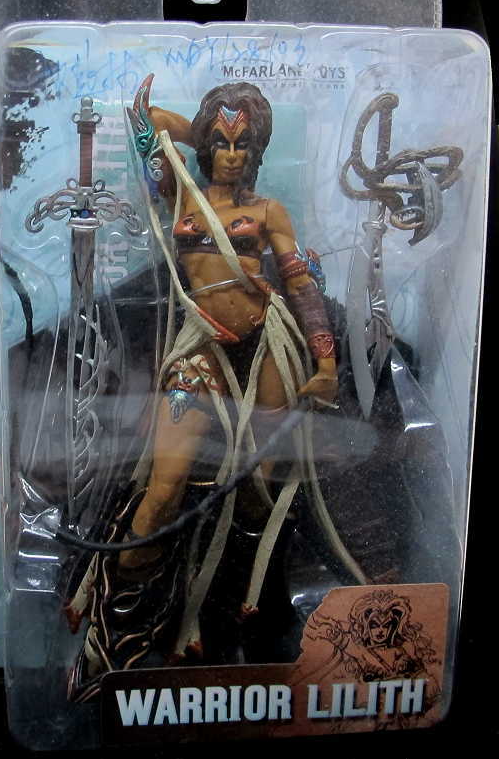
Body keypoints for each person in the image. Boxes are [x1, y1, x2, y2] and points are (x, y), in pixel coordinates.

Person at [66, 75, 364, 700]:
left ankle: (239, 619)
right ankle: (115, 630)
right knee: (162, 488)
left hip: (267, 354)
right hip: (198, 356)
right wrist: (195, 126)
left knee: (259, 493)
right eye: (222, 144)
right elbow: (149, 125)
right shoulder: (181, 193)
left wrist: (326, 361)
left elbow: (300, 285)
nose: (231, 155)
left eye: (243, 144)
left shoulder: (268, 212)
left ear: (257, 152)